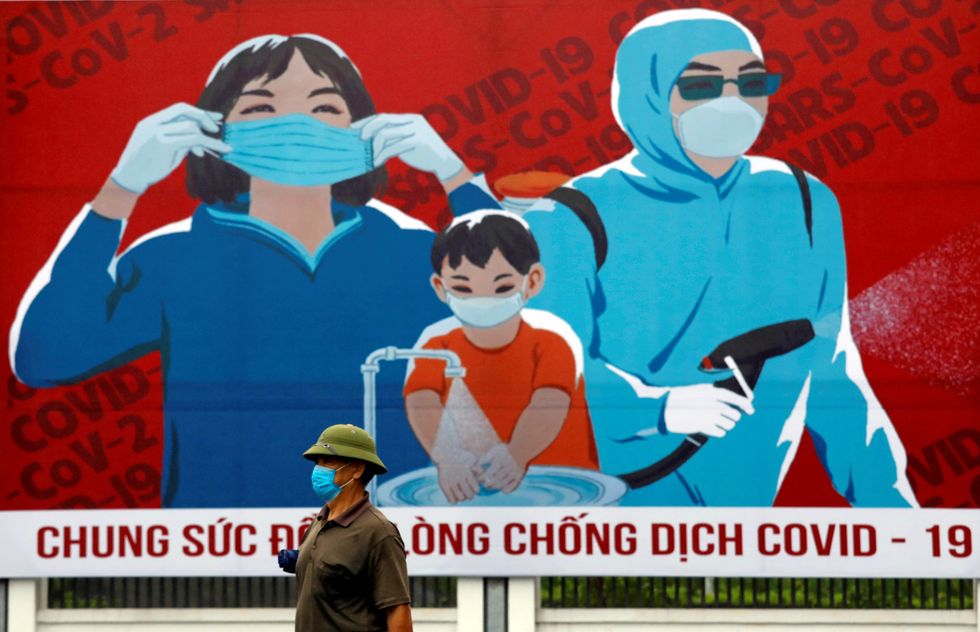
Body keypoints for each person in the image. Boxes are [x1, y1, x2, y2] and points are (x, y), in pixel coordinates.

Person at [10, 34, 497, 508]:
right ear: (213, 131)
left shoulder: (414, 254)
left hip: (392, 536)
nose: (296, 124)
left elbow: (540, 307)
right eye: (261, 108)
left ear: (366, 129)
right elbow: (47, 355)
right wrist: (122, 187)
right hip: (220, 543)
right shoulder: (170, 259)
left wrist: (452, 173)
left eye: (324, 107)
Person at [491, 9, 917, 507]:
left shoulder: (802, 201)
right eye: (699, 86)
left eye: (750, 82)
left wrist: (893, 510)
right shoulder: (572, 217)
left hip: (744, 520)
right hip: (610, 515)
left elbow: (833, 373)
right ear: (646, 94)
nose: (731, 102)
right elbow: (546, 371)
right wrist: (661, 409)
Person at [403, 211, 598, 503]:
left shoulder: (550, 345)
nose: (483, 299)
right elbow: (421, 402)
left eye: (503, 287)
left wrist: (518, 453)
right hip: (479, 498)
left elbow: (550, 402)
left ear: (532, 282)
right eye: (463, 288)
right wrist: (448, 457)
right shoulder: (436, 348)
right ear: (441, 288)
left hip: (568, 497)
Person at [284, 423, 412, 632]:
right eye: (317, 462)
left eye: (327, 461)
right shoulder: (320, 521)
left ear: (356, 469)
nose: (318, 470)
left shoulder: (378, 532)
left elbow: (398, 615)